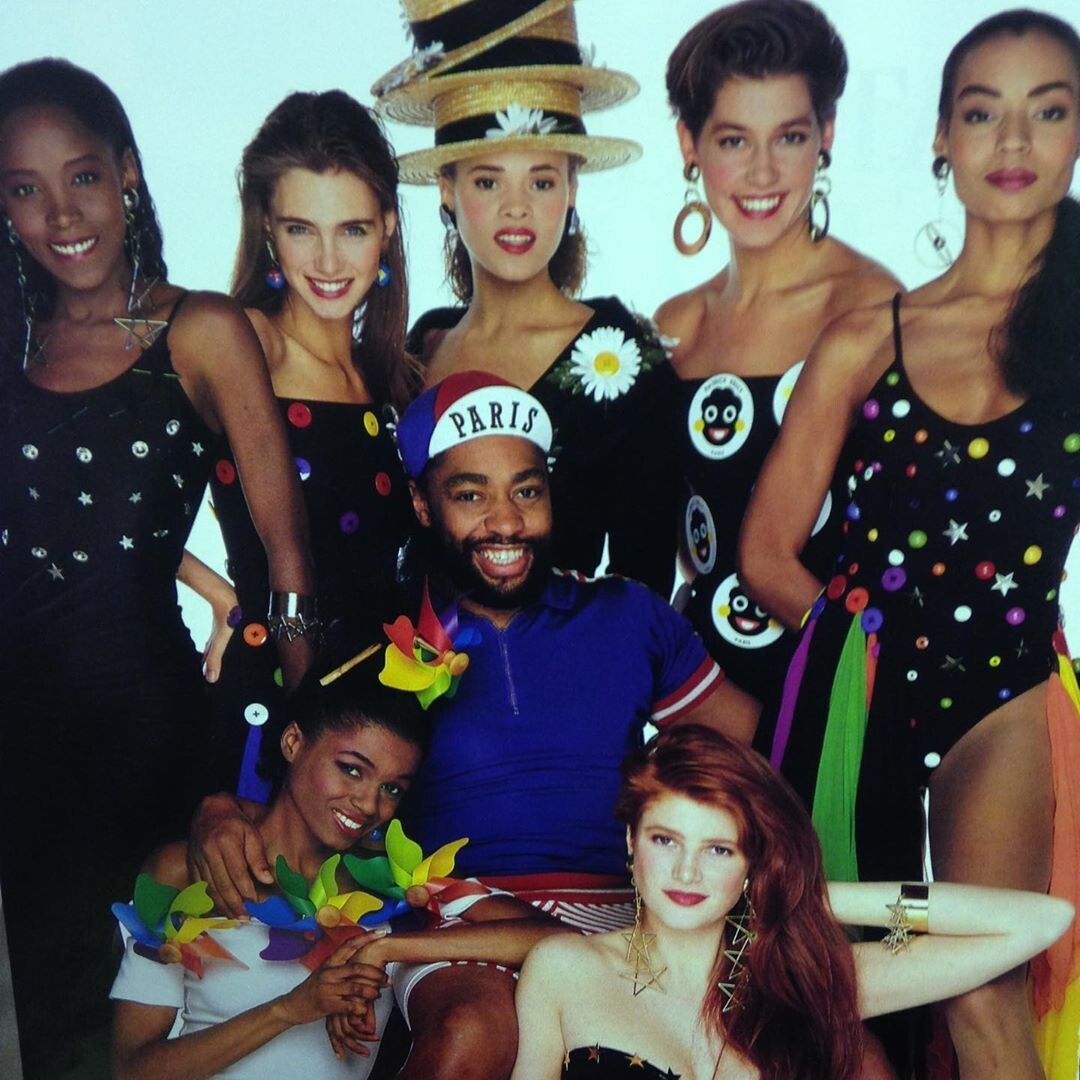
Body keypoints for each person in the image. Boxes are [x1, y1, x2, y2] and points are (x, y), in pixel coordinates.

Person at [192, 373, 761, 1079]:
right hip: (460, 915)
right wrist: (219, 809)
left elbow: (762, 751)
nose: (506, 523)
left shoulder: (626, 613)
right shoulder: (379, 636)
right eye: (470, 495)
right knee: (472, 1031)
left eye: (527, 491)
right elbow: (306, 779)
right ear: (422, 504)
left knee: (823, 1047)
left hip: (632, 907)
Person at [740, 11, 1080, 1077]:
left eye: (1048, 112)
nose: (1013, 142)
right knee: (842, 1010)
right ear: (942, 136)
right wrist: (859, 654)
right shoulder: (864, 339)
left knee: (980, 989)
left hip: (1004, 699)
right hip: (855, 696)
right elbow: (766, 552)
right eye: (983, 114)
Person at [0, 59, 315, 1077]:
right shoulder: (10, 344)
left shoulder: (199, 331)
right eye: (24, 188)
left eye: (83, 176)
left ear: (128, 173)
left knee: (163, 1032)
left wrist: (290, 749)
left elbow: (285, 561)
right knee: (51, 1037)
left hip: (153, 744)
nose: (61, 214)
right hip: (21, 755)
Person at [511, 724, 1075, 1080]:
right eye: (665, 840)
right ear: (631, 843)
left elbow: (1039, 920)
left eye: (719, 849)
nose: (686, 871)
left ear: (753, 863)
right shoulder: (565, 969)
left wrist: (816, 896)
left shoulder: (806, 981)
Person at [112, 647, 572, 1079]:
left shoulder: (390, 886)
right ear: (293, 741)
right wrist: (290, 1010)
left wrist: (384, 950)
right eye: (352, 768)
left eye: (392, 788)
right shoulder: (184, 871)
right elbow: (131, 1070)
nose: (369, 803)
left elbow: (556, 941)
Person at [374, 2, 683, 597]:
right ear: (447, 188)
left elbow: (643, 594)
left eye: (541, 181)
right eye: (488, 180)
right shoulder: (418, 352)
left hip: (580, 659)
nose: (517, 208)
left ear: (572, 188)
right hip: (413, 657)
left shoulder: (623, 361)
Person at [656, 0, 899, 724]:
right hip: (702, 706)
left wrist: (870, 693)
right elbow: (684, 541)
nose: (762, 171)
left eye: (789, 136)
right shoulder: (676, 326)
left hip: (841, 701)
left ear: (826, 135)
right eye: (734, 139)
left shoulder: (872, 309)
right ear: (689, 143)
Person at [190, 90, 417, 801]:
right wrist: (225, 599)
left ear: (387, 227)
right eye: (299, 228)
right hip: (274, 716)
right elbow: (113, 491)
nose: (327, 259)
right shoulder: (243, 344)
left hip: (388, 731)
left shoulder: (395, 376)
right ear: (266, 226)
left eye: (352, 229)